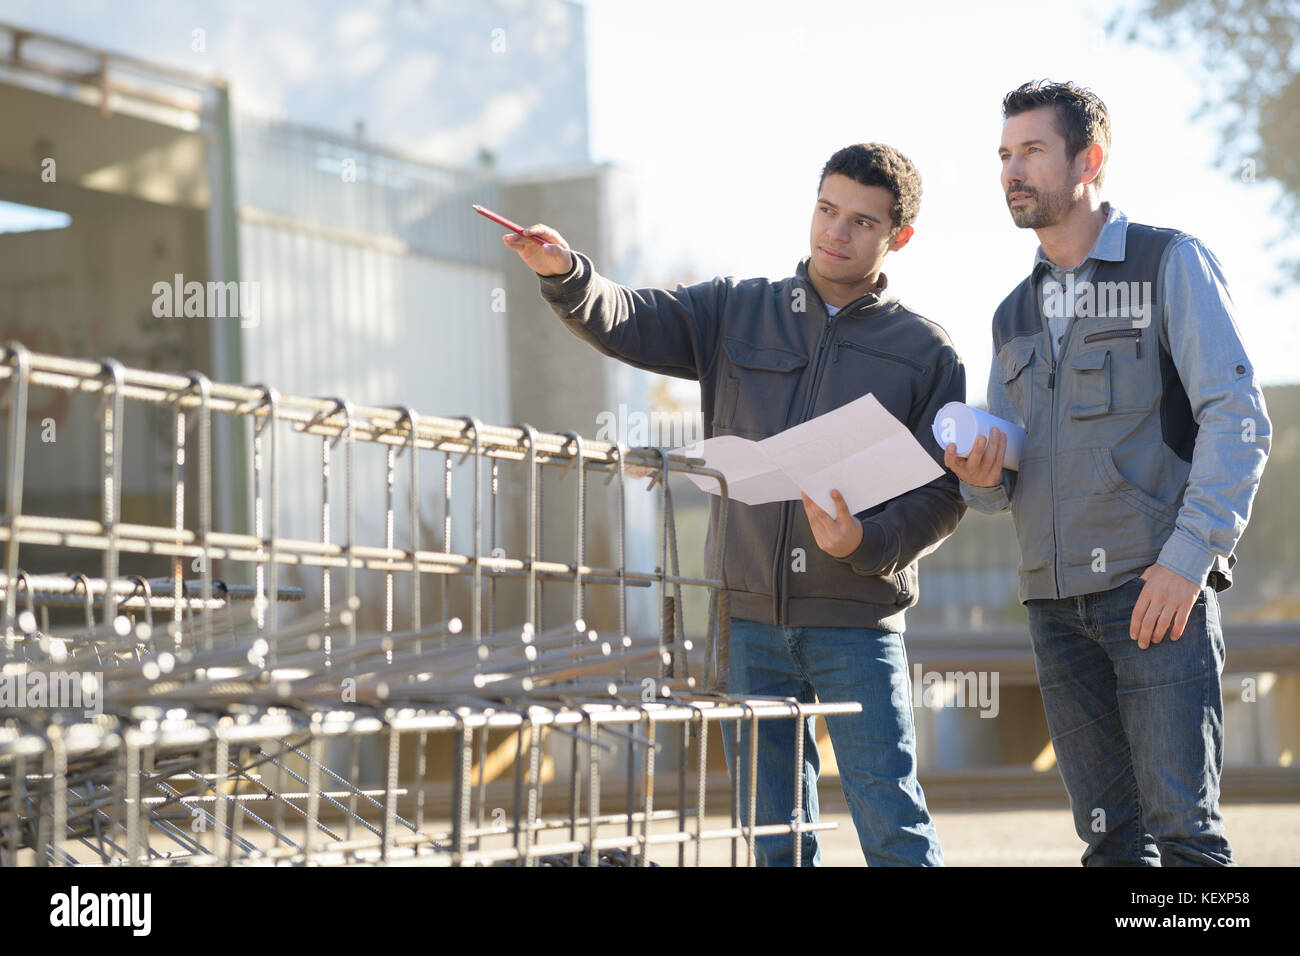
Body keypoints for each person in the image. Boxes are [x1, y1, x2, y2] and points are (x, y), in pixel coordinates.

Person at [504, 143, 964, 867]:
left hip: (856, 620)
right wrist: (569, 275)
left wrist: (864, 542)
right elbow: (630, 316)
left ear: (897, 237)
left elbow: (944, 494)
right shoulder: (737, 310)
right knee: (771, 834)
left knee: (892, 823)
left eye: (861, 222)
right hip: (743, 621)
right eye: (826, 209)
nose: (835, 232)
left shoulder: (925, 352)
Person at [947, 80, 1271, 866]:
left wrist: (1187, 564)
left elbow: (1239, 419)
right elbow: (1002, 483)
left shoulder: (1170, 262)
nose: (1010, 172)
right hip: (1054, 607)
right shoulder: (1010, 314)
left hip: (1151, 592)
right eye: (1002, 155)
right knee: (1109, 845)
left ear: (1088, 160)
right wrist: (978, 474)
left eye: (1030, 152)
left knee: (1184, 836)